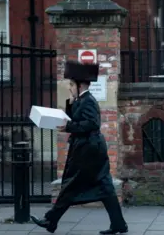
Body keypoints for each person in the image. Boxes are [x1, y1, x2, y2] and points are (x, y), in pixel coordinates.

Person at [31, 61, 128, 234]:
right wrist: (70, 106)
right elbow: (74, 118)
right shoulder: (81, 100)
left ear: (79, 85)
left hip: (88, 150)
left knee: (71, 184)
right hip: (88, 149)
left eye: (71, 84)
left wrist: (69, 127)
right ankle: (118, 224)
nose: (69, 87)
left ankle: (51, 220)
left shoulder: (88, 100)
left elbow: (92, 124)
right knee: (104, 186)